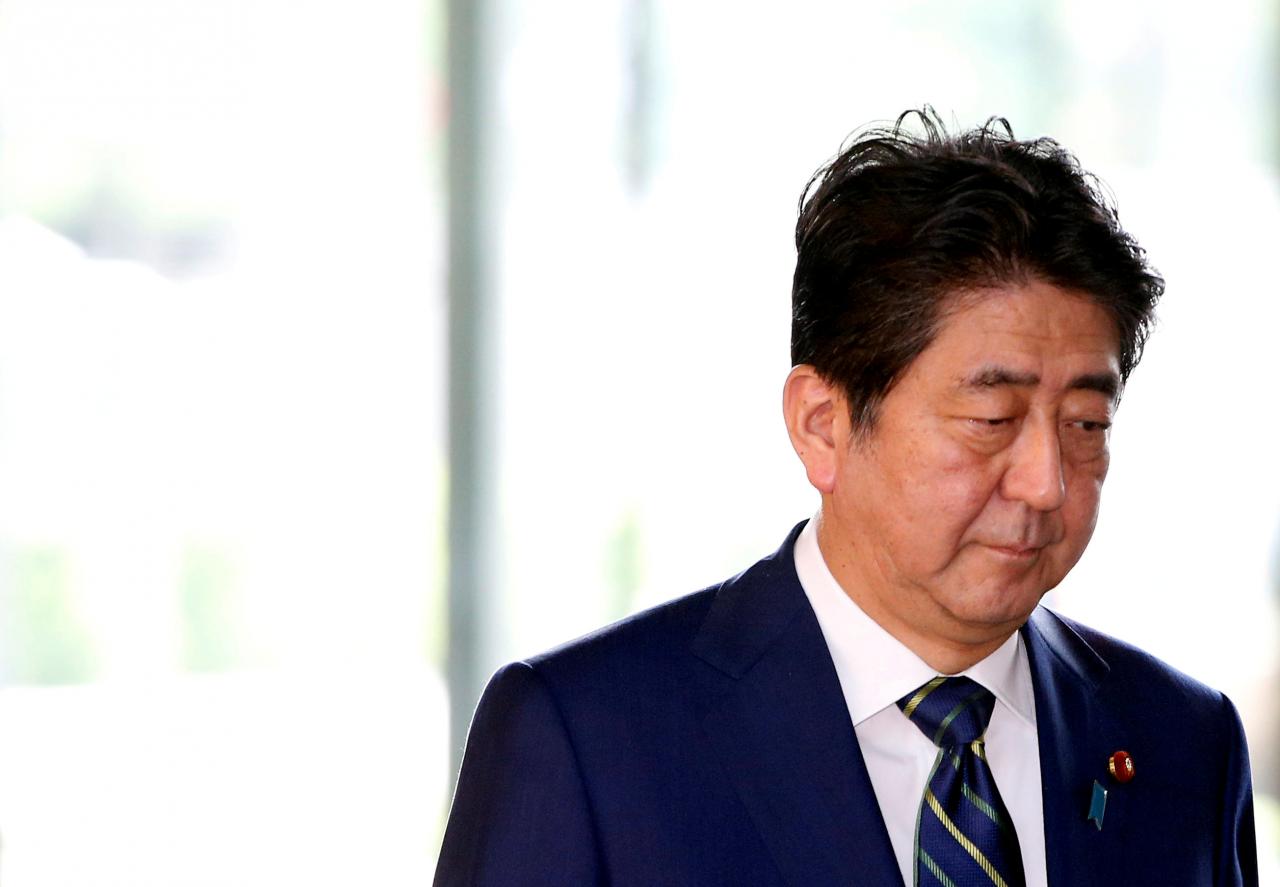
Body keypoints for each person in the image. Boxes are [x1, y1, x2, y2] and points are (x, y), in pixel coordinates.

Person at [433, 110, 1259, 886]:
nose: (1046, 481)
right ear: (822, 425)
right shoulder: (589, 739)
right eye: (991, 418)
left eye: (1085, 422)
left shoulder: (1182, 742)